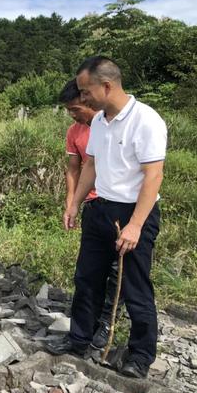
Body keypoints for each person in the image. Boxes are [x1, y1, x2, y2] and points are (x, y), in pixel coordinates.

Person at [48, 56, 167, 379]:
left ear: (107, 86)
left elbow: (153, 175)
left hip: (133, 212)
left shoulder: (146, 120)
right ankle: (79, 339)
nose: (82, 97)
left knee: (135, 286)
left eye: (86, 91)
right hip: (99, 208)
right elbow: (91, 165)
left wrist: (136, 224)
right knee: (87, 278)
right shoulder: (99, 122)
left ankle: (140, 356)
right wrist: (74, 203)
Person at [59, 79, 124, 350]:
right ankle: (85, 328)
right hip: (92, 205)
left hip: (120, 205)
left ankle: (109, 322)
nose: (73, 115)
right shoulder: (75, 132)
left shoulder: (112, 125)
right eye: (69, 111)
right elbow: (74, 169)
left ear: (89, 100)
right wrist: (71, 203)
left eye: (76, 108)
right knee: (89, 271)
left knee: (117, 270)